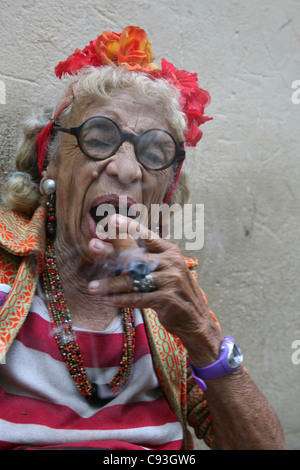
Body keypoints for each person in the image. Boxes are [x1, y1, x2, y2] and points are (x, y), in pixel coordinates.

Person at [0, 26, 285, 450]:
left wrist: (202, 334)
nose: (128, 170)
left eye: (154, 154)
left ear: (164, 192)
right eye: (99, 139)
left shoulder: (174, 301)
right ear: (50, 164)